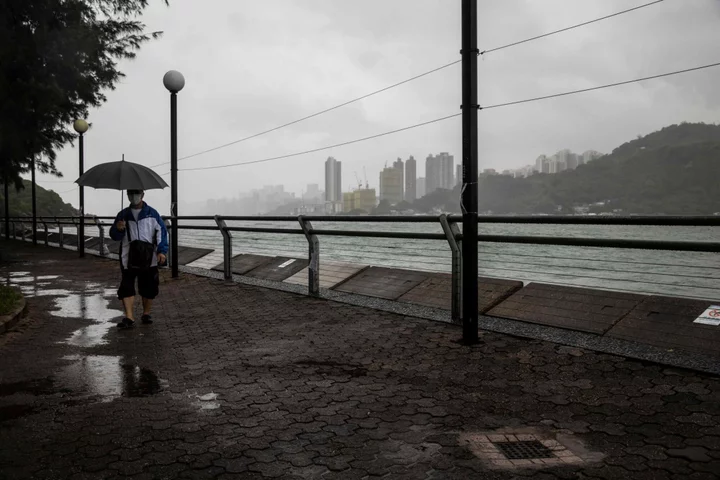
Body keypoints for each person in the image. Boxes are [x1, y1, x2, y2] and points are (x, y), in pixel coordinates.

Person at [109, 189, 168, 329]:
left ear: (142, 195)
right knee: (126, 286)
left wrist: (162, 251)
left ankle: (146, 313)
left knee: (149, 287)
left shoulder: (152, 214)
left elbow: (162, 232)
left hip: (149, 258)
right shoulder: (122, 215)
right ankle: (129, 317)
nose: (133, 196)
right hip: (128, 257)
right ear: (127, 195)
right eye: (131, 193)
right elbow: (114, 236)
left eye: (136, 193)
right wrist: (118, 228)